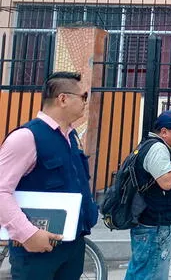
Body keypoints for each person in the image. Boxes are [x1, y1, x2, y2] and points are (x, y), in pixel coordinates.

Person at [0, 71, 99, 280]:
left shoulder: (71, 138)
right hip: (37, 251)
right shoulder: (26, 137)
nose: (85, 103)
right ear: (63, 99)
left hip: (72, 246)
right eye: (83, 97)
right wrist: (27, 233)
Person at [124, 110, 171, 280]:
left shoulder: (151, 145)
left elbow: (157, 177)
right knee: (153, 272)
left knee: (140, 271)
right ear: (164, 132)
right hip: (154, 224)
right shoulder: (157, 149)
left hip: (150, 222)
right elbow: (167, 182)